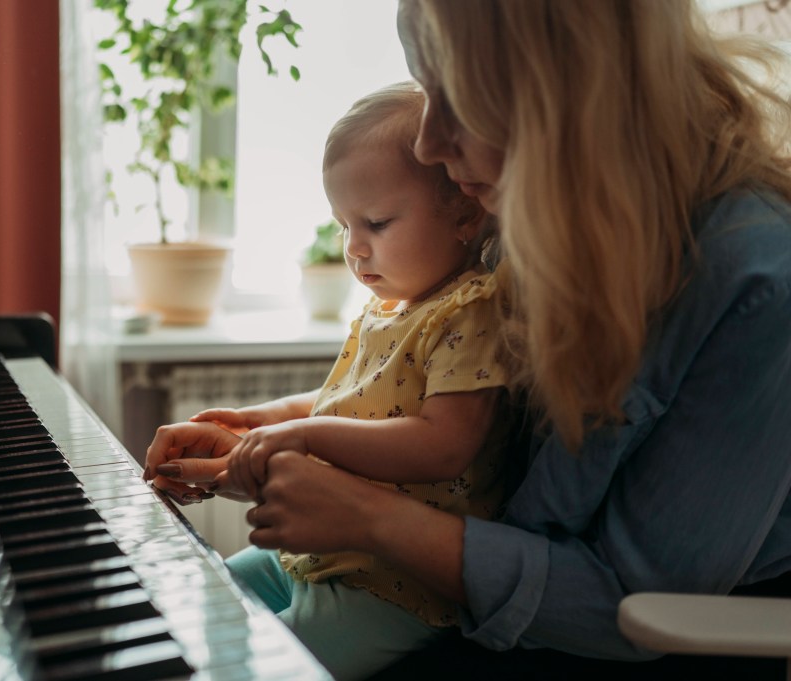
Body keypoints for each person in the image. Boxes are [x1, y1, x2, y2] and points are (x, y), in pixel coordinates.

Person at [144, 1, 791, 678]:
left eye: (460, 96)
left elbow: (634, 604)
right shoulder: (516, 210)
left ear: (568, 95)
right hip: (480, 593)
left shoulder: (758, 276)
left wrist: (370, 516)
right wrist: (264, 429)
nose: (428, 144)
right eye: (427, 91)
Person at [147, 81, 517, 679]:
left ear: (465, 214)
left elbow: (444, 445)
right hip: (322, 558)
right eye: (343, 225)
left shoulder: (470, 310)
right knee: (199, 607)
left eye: (375, 221)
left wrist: (305, 437)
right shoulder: (391, 307)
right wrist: (260, 421)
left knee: (264, 670)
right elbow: (347, 402)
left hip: (394, 587)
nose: (354, 247)